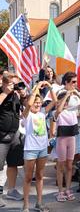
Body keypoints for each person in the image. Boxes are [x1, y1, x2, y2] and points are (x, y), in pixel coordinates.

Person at [21, 81, 57, 212]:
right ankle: (25, 205)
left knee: (40, 176)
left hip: (42, 149)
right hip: (30, 150)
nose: (37, 104)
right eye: (35, 102)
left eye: (39, 102)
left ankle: (39, 202)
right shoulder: (26, 115)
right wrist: (36, 87)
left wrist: (49, 86)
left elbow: (54, 101)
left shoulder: (42, 112)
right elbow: (29, 103)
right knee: (28, 177)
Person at [54, 89, 80, 202]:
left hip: (71, 139)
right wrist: (66, 95)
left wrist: (77, 94)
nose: (66, 103)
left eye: (67, 101)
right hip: (61, 140)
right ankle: (60, 191)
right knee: (60, 165)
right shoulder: (57, 112)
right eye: (64, 101)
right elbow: (58, 110)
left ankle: (67, 189)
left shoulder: (72, 110)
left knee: (69, 165)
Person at [0, 73, 24, 206]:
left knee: (13, 163)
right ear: (4, 84)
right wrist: (5, 93)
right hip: (1, 135)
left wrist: (23, 94)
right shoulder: (1, 93)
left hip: (14, 133)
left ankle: (12, 190)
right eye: (11, 83)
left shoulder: (16, 95)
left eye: (15, 84)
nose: (13, 86)